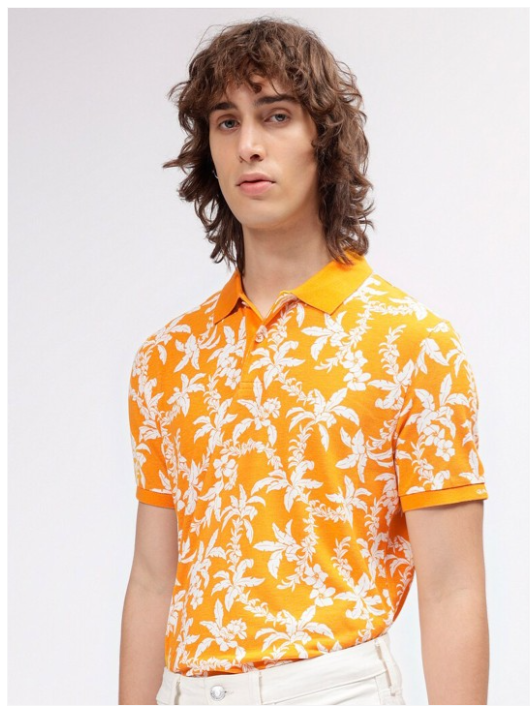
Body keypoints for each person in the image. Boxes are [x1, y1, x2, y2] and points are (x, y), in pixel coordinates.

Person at [119, 17, 489, 706]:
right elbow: (151, 578)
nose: (248, 145)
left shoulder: (413, 344)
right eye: (226, 122)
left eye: (276, 115)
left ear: (325, 139)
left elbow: (453, 586)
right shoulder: (167, 359)